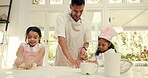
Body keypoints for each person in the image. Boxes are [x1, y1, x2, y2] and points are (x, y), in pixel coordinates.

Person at [54, 0, 92, 67]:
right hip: (63, 61)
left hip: (78, 61)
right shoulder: (61, 18)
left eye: (81, 11)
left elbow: (87, 42)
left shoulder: (86, 22)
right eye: (75, 11)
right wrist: (72, 61)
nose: (78, 14)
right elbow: (61, 40)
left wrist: (84, 48)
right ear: (70, 6)